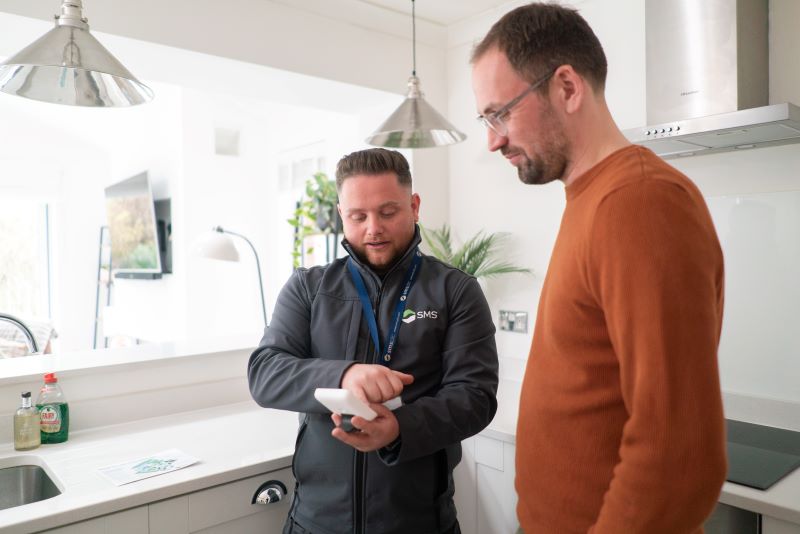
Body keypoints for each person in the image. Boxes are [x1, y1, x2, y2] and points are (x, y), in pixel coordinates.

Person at [470, 4, 727, 533]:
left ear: (566, 86)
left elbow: (677, 455)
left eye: (500, 113)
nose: (492, 139)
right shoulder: (593, 198)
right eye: (486, 120)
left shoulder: (639, 201)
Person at [248, 148, 499, 534]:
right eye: (358, 216)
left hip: (419, 522)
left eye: (387, 212)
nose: (373, 229)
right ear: (341, 214)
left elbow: (475, 398)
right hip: (315, 521)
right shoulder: (308, 288)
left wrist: (400, 427)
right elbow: (265, 373)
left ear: (414, 206)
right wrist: (344, 375)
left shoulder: (455, 291)